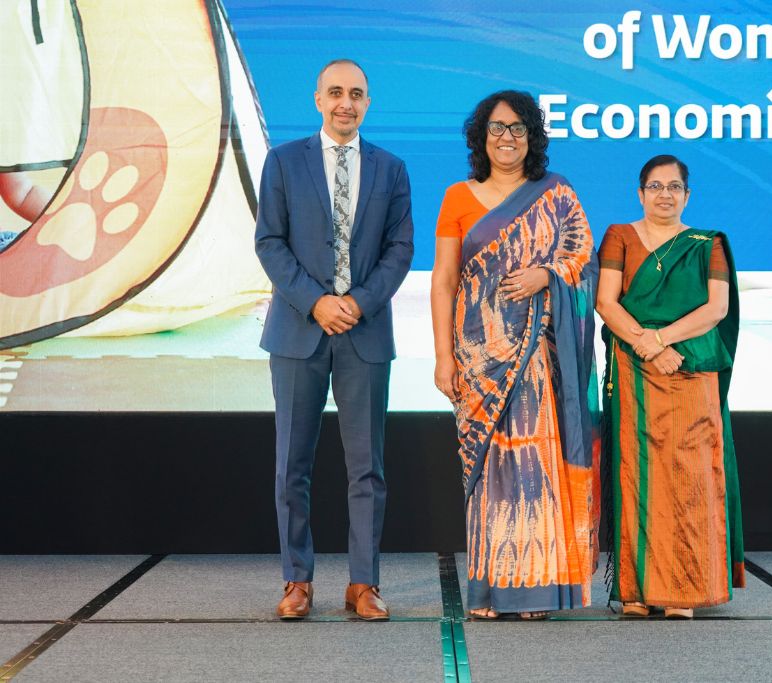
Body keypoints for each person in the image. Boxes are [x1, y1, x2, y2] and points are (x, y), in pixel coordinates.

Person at [430, 91, 600, 620]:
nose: (507, 137)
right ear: (482, 136)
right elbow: (444, 280)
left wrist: (545, 275)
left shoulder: (557, 193)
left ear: (533, 137)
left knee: (535, 465)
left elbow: (583, 258)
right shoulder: (457, 197)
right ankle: (489, 590)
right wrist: (443, 357)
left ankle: (536, 589)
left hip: (538, 358)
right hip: (477, 358)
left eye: (519, 128)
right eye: (498, 127)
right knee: (490, 471)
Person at [254, 59, 413, 621]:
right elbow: (270, 242)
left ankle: (363, 584)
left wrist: (358, 302)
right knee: (291, 465)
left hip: (364, 334)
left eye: (357, 94)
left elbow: (400, 249)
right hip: (298, 331)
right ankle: (297, 580)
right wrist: (316, 302)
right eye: (337, 92)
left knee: (367, 468)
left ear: (368, 103)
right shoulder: (282, 161)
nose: (347, 102)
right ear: (318, 99)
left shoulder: (391, 168)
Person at [596, 154, 744, 618]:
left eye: (674, 187)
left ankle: (685, 589)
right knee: (636, 474)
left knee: (690, 475)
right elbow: (606, 302)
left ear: (687, 195)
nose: (665, 195)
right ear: (640, 193)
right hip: (634, 368)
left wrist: (661, 339)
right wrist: (646, 345)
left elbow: (716, 309)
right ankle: (637, 590)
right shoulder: (619, 236)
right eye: (656, 187)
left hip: (691, 369)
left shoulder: (707, 243)